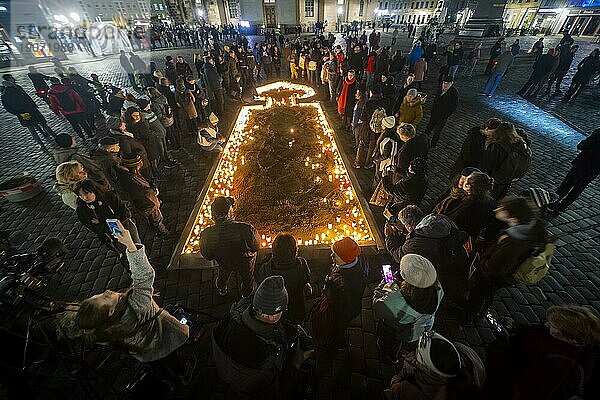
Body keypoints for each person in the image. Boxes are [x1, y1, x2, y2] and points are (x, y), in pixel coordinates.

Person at [57, 221, 190, 381]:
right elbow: (143, 276)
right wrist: (130, 244)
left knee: (159, 366)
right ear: (111, 311)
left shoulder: (100, 329)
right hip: (164, 340)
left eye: (96, 295)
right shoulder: (137, 305)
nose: (105, 292)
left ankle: (169, 380)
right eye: (104, 298)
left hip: (144, 352)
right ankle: (184, 375)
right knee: (172, 360)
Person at [212, 276, 313, 398]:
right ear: (271, 316)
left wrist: (291, 327)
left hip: (227, 372)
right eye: (283, 310)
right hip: (251, 388)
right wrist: (297, 362)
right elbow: (276, 392)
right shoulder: (265, 357)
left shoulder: (239, 309)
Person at [485, 305, 600, 400]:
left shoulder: (559, 365)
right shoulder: (556, 335)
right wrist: (515, 328)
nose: (547, 324)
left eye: (553, 325)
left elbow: (525, 389)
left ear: (570, 337)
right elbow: (536, 331)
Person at [468, 196, 549, 318]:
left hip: (496, 276)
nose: (496, 210)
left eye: (502, 209)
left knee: (481, 292)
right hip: (507, 272)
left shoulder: (513, 242)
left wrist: (481, 258)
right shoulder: (533, 228)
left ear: (513, 216)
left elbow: (492, 269)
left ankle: (471, 314)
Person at [385, 210, 470, 306]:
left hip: (443, 282)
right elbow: (426, 234)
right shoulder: (439, 220)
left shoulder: (416, 243)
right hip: (459, 270)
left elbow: (399, 255)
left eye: (405, 225)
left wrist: (389, 237)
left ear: (408, 226)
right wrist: (405, 230)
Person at [373, 254, 444, 363]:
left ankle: (391, 357)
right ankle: (409, 351)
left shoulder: (395, 301)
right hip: (423, 326)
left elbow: (377, 305)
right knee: (409, 342)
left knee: (391, 342)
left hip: (398, 329)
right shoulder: (437, 288)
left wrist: (385, 285)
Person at [388, 330, 486, 400]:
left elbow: (394, 391)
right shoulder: (470, 358)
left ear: (423, 364)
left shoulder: (412, 390)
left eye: (418, 350)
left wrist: (401, 375)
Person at [310, 237, 368, 349]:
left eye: (335, 254)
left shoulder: (343, 284)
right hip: (349, 307)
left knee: (337, 327)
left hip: (341, 312)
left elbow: (337, 303)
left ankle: (336, 343)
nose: (331, 256)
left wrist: (327, 287)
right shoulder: (356, 260)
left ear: (345, 259)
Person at [199, 196, 261, 298]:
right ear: (230, 212)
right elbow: (256, 247)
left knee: (223, 273)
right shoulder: (246, 229)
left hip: (224, 262)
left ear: (213, 215)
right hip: (245, 263)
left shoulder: (207, 234)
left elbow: (207, 255)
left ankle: (222, 287)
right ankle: (246, 293)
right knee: (248, 277)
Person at [74, 179, 140, 261]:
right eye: (80, 195)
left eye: (87, 193)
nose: (84, 198)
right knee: (126, 254)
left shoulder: (109, 196)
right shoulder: (82, 209)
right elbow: (93, 227)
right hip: (112, 237)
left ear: (94, 190)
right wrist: (110, 221)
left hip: (128, 228)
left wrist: (102, 220)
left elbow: (125, 213)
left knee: (138, 247)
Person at [254, 233, 312, 324]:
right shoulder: (301, 264)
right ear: (295, 250)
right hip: (296, 309)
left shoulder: (266, 268)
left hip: (274, 312)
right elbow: (308, 289)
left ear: (273, 249)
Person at [547, 128, 600, 214]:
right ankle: (562, 207)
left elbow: (582, 146)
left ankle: (553, 203)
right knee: (579, 188)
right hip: (595, 170)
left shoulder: (599, 132)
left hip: (583, 162)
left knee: (568, 183)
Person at [116, 154, 169, 235]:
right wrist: (153, 192)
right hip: (147, 203)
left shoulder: (130, 174)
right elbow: (142, 193)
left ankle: (159, 229)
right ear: (136, 166)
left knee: (154, 218)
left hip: (148, 202)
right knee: (156, 219)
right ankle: (162, 232)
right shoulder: (130, 179)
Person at [434, 171, 495, 240]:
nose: (464, 179)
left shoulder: (462, 202)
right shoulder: (490, 203)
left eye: (466, 179)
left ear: (468, 187)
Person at [1, 74, 55, 149]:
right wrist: (33, 106)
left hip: (22, 115)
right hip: (31, 110)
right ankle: (55, 137)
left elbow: (7, 107)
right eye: (11, 78)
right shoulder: (17, 88)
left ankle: (42, 145)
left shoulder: (4, 94)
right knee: (43, 124)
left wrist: (18, 114)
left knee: (32, 130)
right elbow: (27, 99)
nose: (13, 79)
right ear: (9, 80)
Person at [478, 122, 530, 200]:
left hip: (493, 179)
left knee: (484, 198)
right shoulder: (521, 145)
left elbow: (486, 164)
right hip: (506, 180)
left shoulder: (497, 146)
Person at [425, 76, 459, 148]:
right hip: (434, 114)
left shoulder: (454, 93)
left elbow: (453, 107)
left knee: (437, 131)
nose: (445, 85)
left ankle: (433, 144)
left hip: (442, 116)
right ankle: (424, 140)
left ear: (451, 84)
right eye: (444, 83)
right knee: (428, 128)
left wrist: (445, 116)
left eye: (447, 83)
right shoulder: (440, 89)